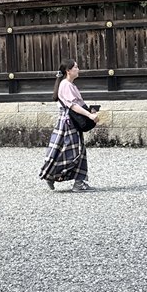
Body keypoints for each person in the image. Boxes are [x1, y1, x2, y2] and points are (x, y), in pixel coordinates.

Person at [39, 59, 99, 192]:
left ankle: (78, 182)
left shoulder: (70, 85)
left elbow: (78, 104)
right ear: (68, 71)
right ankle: (51, 175)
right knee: (70, 151)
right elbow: (73, 106)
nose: (78, 69)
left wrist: (91, 111)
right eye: (76, 67)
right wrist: (89, 116)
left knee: (75, 150)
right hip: (68, 122)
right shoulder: (66, 85)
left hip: (71, 121)